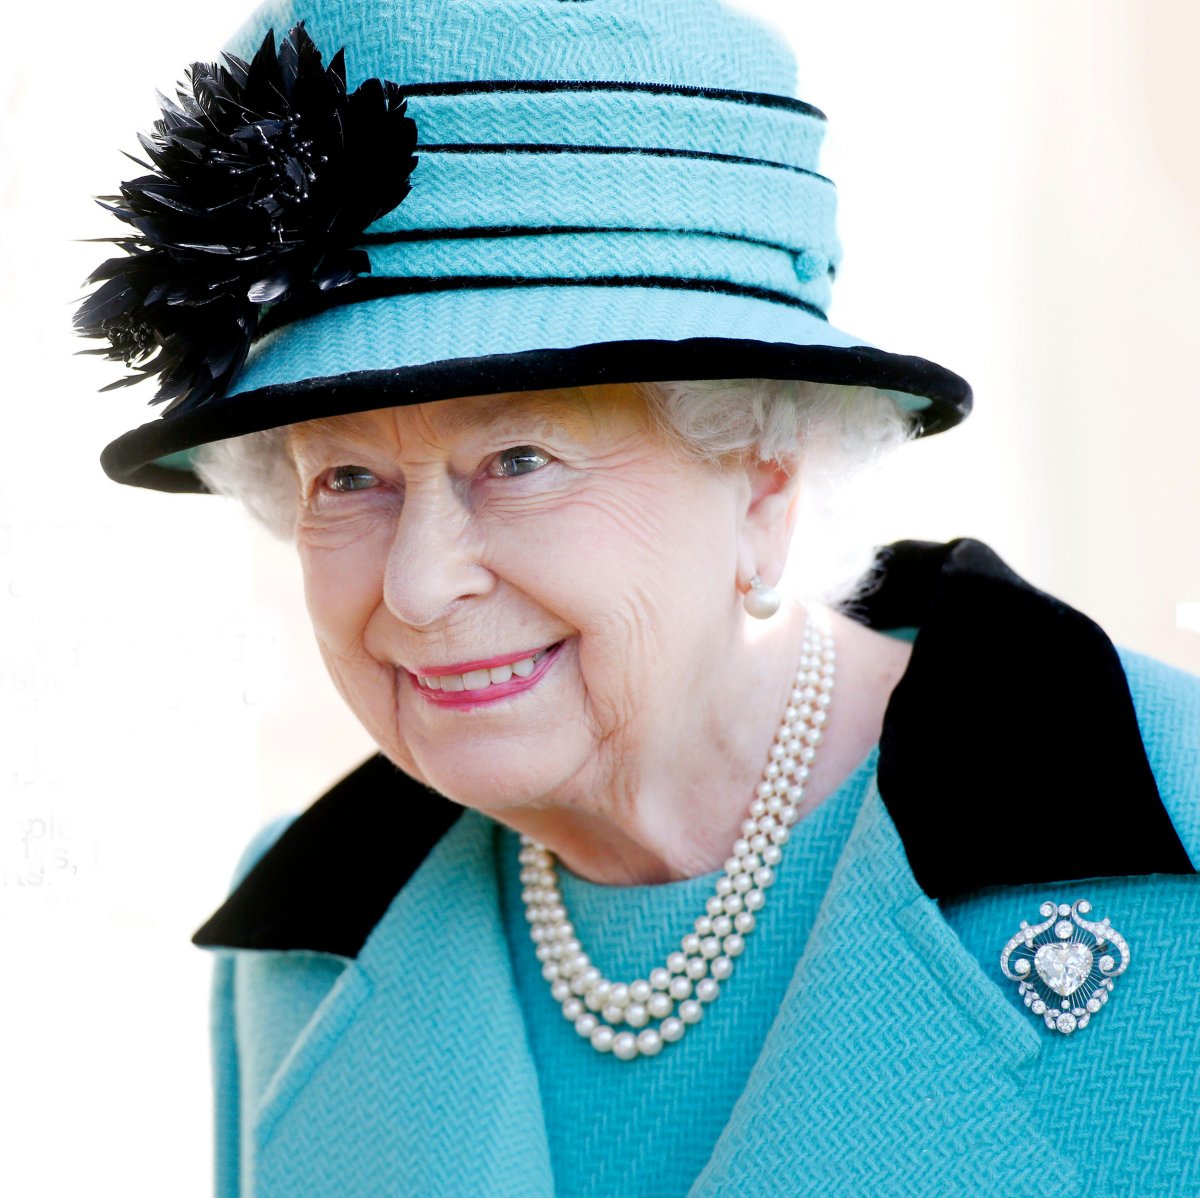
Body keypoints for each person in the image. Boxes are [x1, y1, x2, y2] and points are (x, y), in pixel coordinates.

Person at [76, 2, 1199, 1195]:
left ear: (764, 480)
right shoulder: (303, 952)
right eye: (346, 477)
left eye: (517, 461)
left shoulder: (1172, 836)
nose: (416, 584)